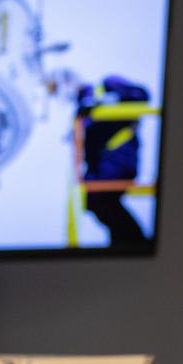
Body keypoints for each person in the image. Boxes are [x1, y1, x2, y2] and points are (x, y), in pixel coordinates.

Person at [76, 75, 151, 244]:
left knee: (103, 203)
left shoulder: (108, 84)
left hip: (119, 164)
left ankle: (136, 246)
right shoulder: (84, 113)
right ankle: (129, 246)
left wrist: (103, 104)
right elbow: (90, 149)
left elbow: (142, 95)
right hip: (104, 171)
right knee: (97, 204)